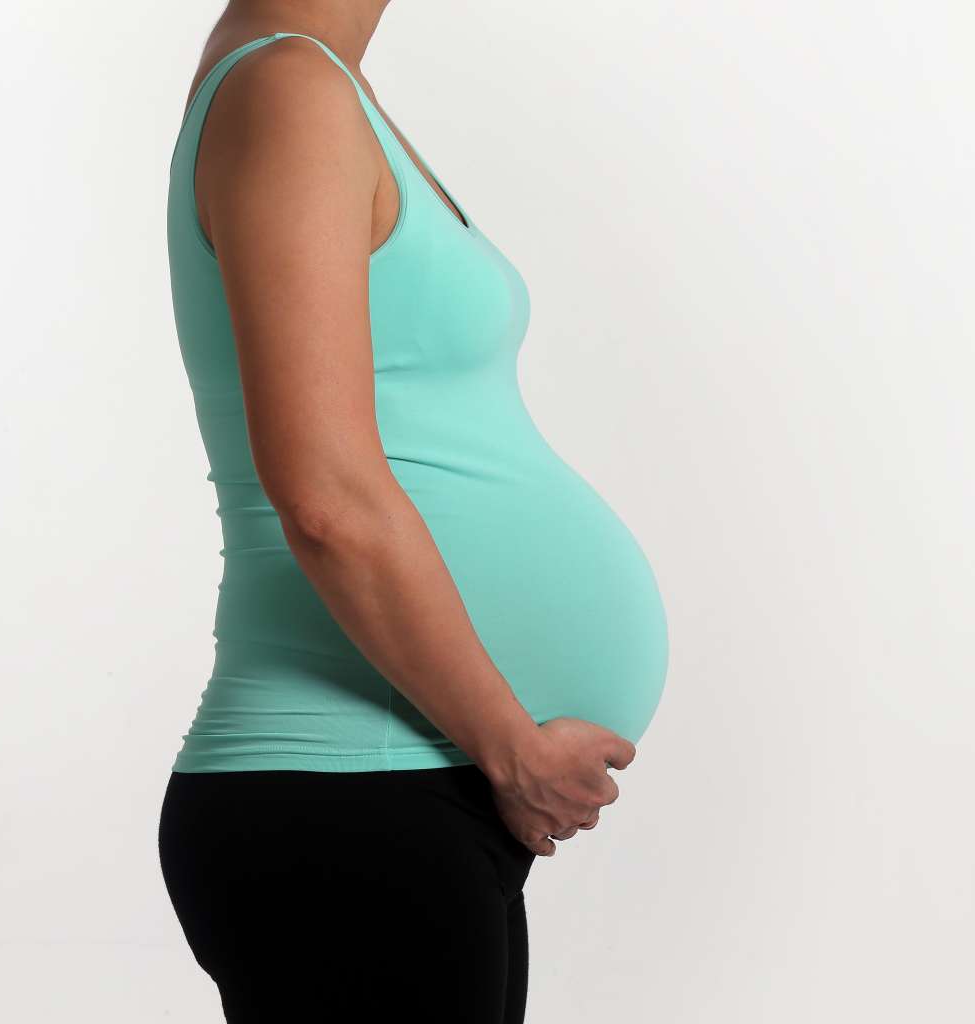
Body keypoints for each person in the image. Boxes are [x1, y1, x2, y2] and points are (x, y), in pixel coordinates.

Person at [155, 3, 670, 1020]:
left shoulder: (314, 81)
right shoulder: (288, 88)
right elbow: (326, 499)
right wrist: (513, 746)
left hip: (401, 797)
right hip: (353, 802)